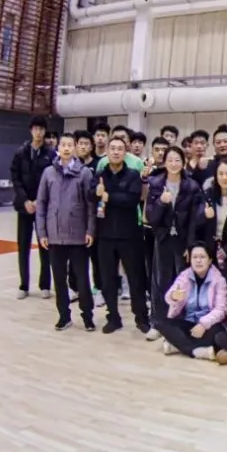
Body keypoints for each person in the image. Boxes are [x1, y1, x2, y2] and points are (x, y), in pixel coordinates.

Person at [35, 132, 95, 331]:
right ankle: (64, 316)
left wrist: (90, 230)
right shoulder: (48, 173)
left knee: (82, 279)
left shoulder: (84, 173)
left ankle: (87, 316)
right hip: (54, 236)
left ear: (75, 148)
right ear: (58, 148)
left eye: (70, 145)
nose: (67, 148)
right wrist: (42, 233)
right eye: (63, 145)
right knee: (59, 279)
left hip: (78, 236)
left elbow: (91, 206)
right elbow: (41, 204)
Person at [95, 136, 152, 335]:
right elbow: (91, 196)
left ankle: (142, 318)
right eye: (112, 148)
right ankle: (113, 318)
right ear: (107, 151)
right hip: (105, 235)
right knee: (108, 280)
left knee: (136, 279)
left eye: (120, 149)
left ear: (125, 152)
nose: (116, 152)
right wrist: (96, 193)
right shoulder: (100, 174)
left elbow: (132, 199)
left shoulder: (133, 175)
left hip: (130, 235)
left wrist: (108, 196)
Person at [145, 146, 203, 332]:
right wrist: (161, 202)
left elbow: (195, 219)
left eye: (177, 160)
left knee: (183, 282)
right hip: (163, 238)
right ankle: (158, 323)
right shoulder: (155, 183)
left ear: (183, 162)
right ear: (164, 162)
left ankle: (180, 323)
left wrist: (190, 245)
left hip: (183, 240)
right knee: (160, 281)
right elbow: (151, 217)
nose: (173, 164)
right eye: (170, 160)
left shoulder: (192, 186)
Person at [11, 115, 55, 300]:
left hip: (43, 207)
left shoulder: (50, 154)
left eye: (41, 129)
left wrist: (39, 201)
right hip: (24, 207)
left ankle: (45, 285)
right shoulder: (21, 152)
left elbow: (52, 180)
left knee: (45, 246)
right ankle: (24, 285)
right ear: (31, 130)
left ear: (45, 132)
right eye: (36, 129)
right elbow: (15, 177)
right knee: (23, 245)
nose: (38, 132)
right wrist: (25, 201)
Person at [159, 243, 226, 360]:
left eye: (202, 257)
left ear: (210, 260)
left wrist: (203, 324)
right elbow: (168, 296)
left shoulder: (219, 280)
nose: (198, 261)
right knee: (161, 323)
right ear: (190, 260)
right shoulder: (184, 276)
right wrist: (174, 296)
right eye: (194, 257)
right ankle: (195, 351)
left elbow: (221, 310)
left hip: (208, 325)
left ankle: (178, 345)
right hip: (188, 322)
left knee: (219, 335)